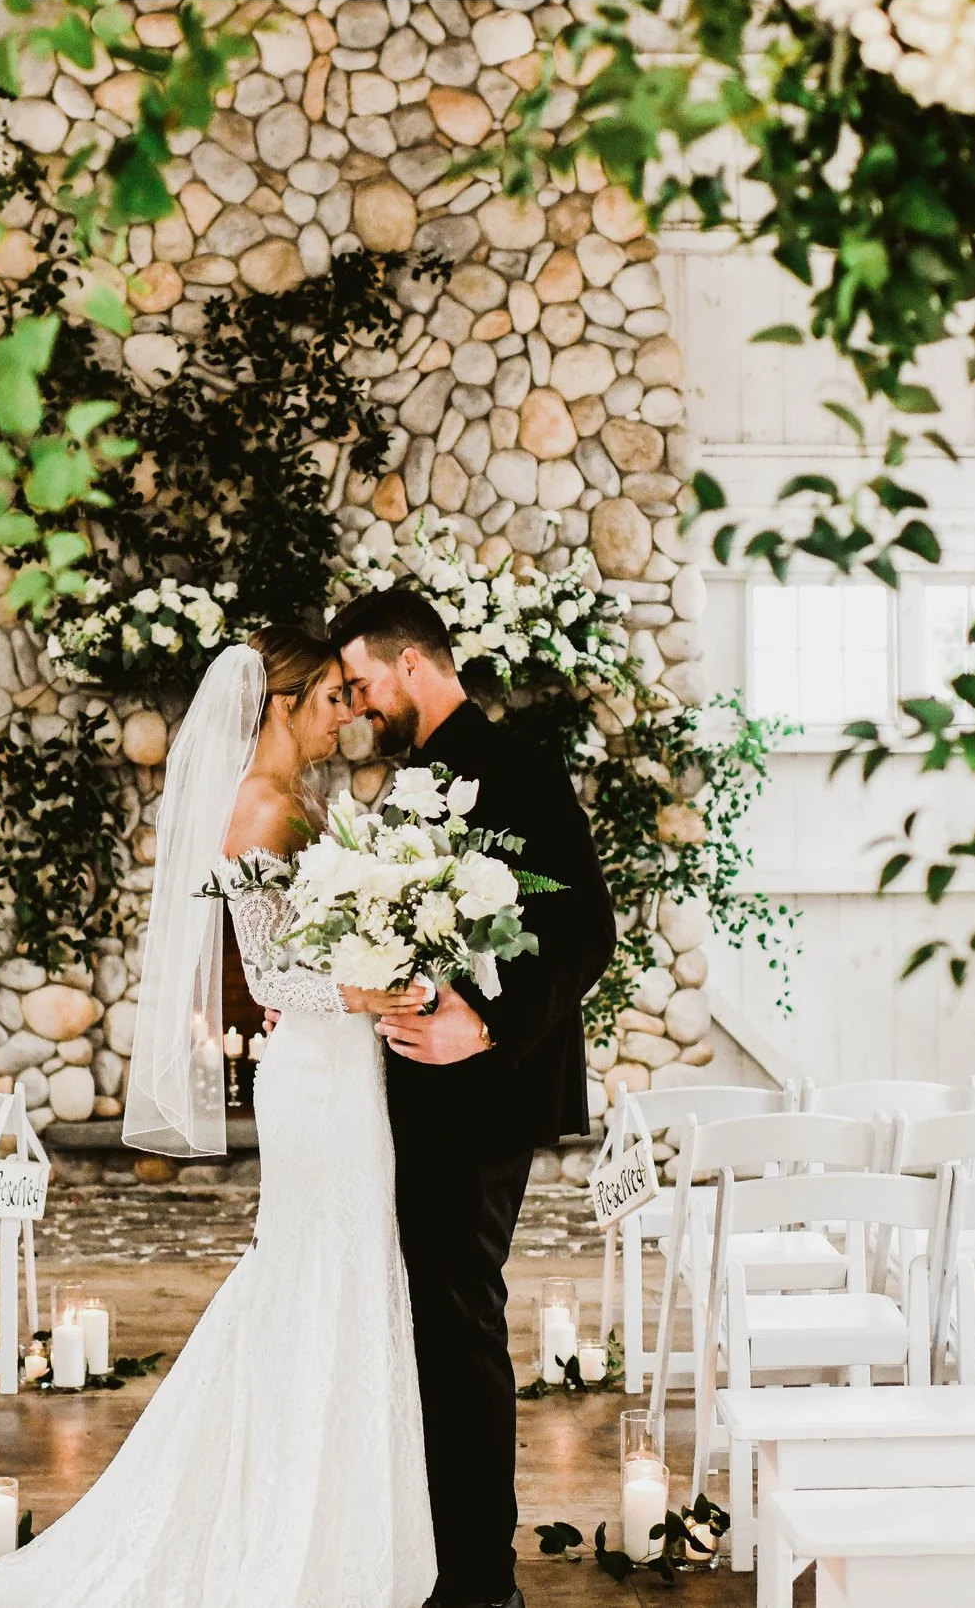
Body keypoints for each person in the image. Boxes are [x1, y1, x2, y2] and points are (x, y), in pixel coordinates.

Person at [0, 625, 438, 1608]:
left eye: (349, 694)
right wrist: (372, 993)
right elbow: (275, 971)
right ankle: (280, 1525)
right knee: (309, 1272)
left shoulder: (312, 800)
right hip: (316, 1075)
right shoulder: (256, 809)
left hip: (351, 1072)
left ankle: (354, 1526)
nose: (348, 711)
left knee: (354, 1268)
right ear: (278, 703)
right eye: (330, 694)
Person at [329, 587, 617, 1608]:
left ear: (414, 665)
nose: (359, 704)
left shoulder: (517, 768)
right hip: (423, 1088)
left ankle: (481, 1581)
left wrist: (482, 1025)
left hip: (486, 1089)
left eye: (364, 682)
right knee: (435, 1322)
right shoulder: (417, 778)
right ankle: (442, 1553)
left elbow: (587, 930)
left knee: (459, 1323)